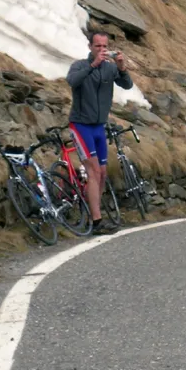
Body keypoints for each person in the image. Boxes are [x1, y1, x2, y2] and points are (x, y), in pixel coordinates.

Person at [67, 30, 132, 235]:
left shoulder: (110, 69)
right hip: (81, 125)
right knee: (94, 171)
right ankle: (96, 221)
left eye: (105, 47)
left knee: (102, 173)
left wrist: (121, 68)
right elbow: (72, 81)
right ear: (90, 47)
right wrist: (93, 65)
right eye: (98, 47)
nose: (102, 50)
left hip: (99, 126)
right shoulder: (80, 65)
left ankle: (93, 211)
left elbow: (127, 85)